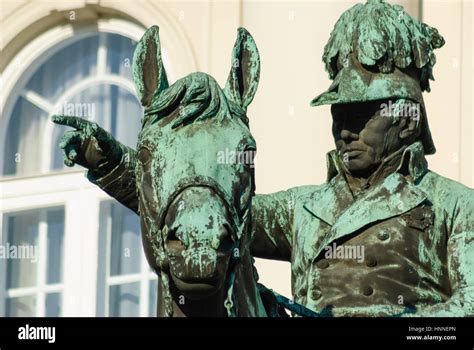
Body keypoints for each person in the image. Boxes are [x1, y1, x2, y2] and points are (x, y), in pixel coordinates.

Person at [53, 0, 473, 316]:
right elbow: (210, 214)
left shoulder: (455, 207)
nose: (345, 129)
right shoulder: (304, 209)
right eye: (339, 113)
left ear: (406, 120)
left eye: (362, 116)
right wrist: (109, 161)